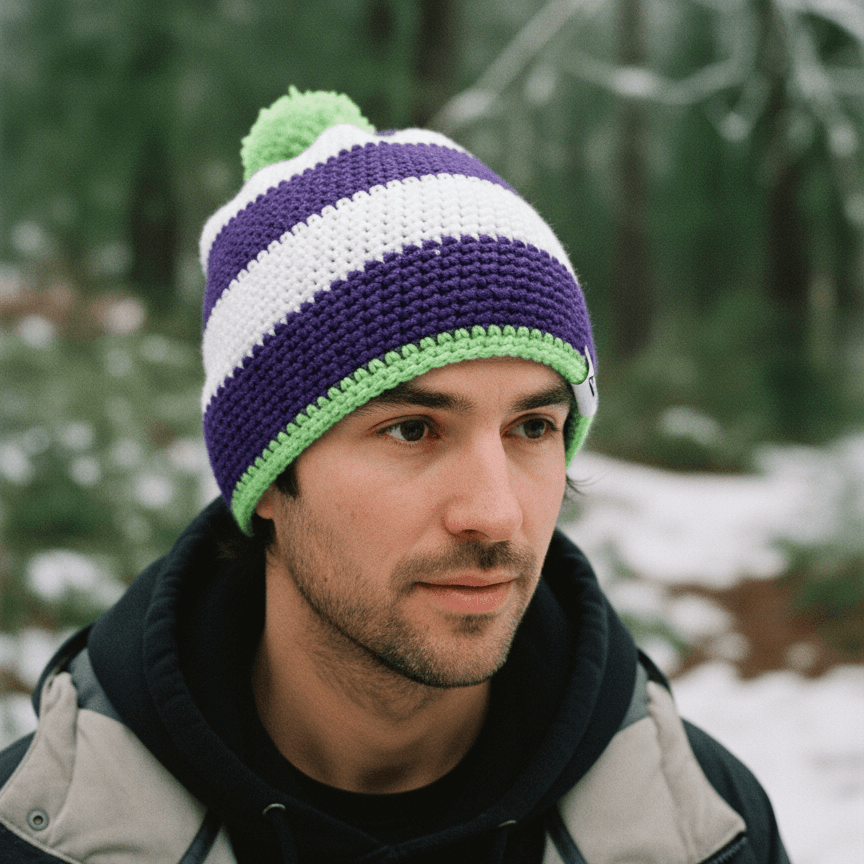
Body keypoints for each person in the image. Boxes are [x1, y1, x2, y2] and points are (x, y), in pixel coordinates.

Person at [0, 88, 789, 864]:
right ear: (271, 476)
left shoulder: (708, 830)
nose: (496, 515)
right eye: (412, 429)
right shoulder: (43, 834)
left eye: (533, 428)